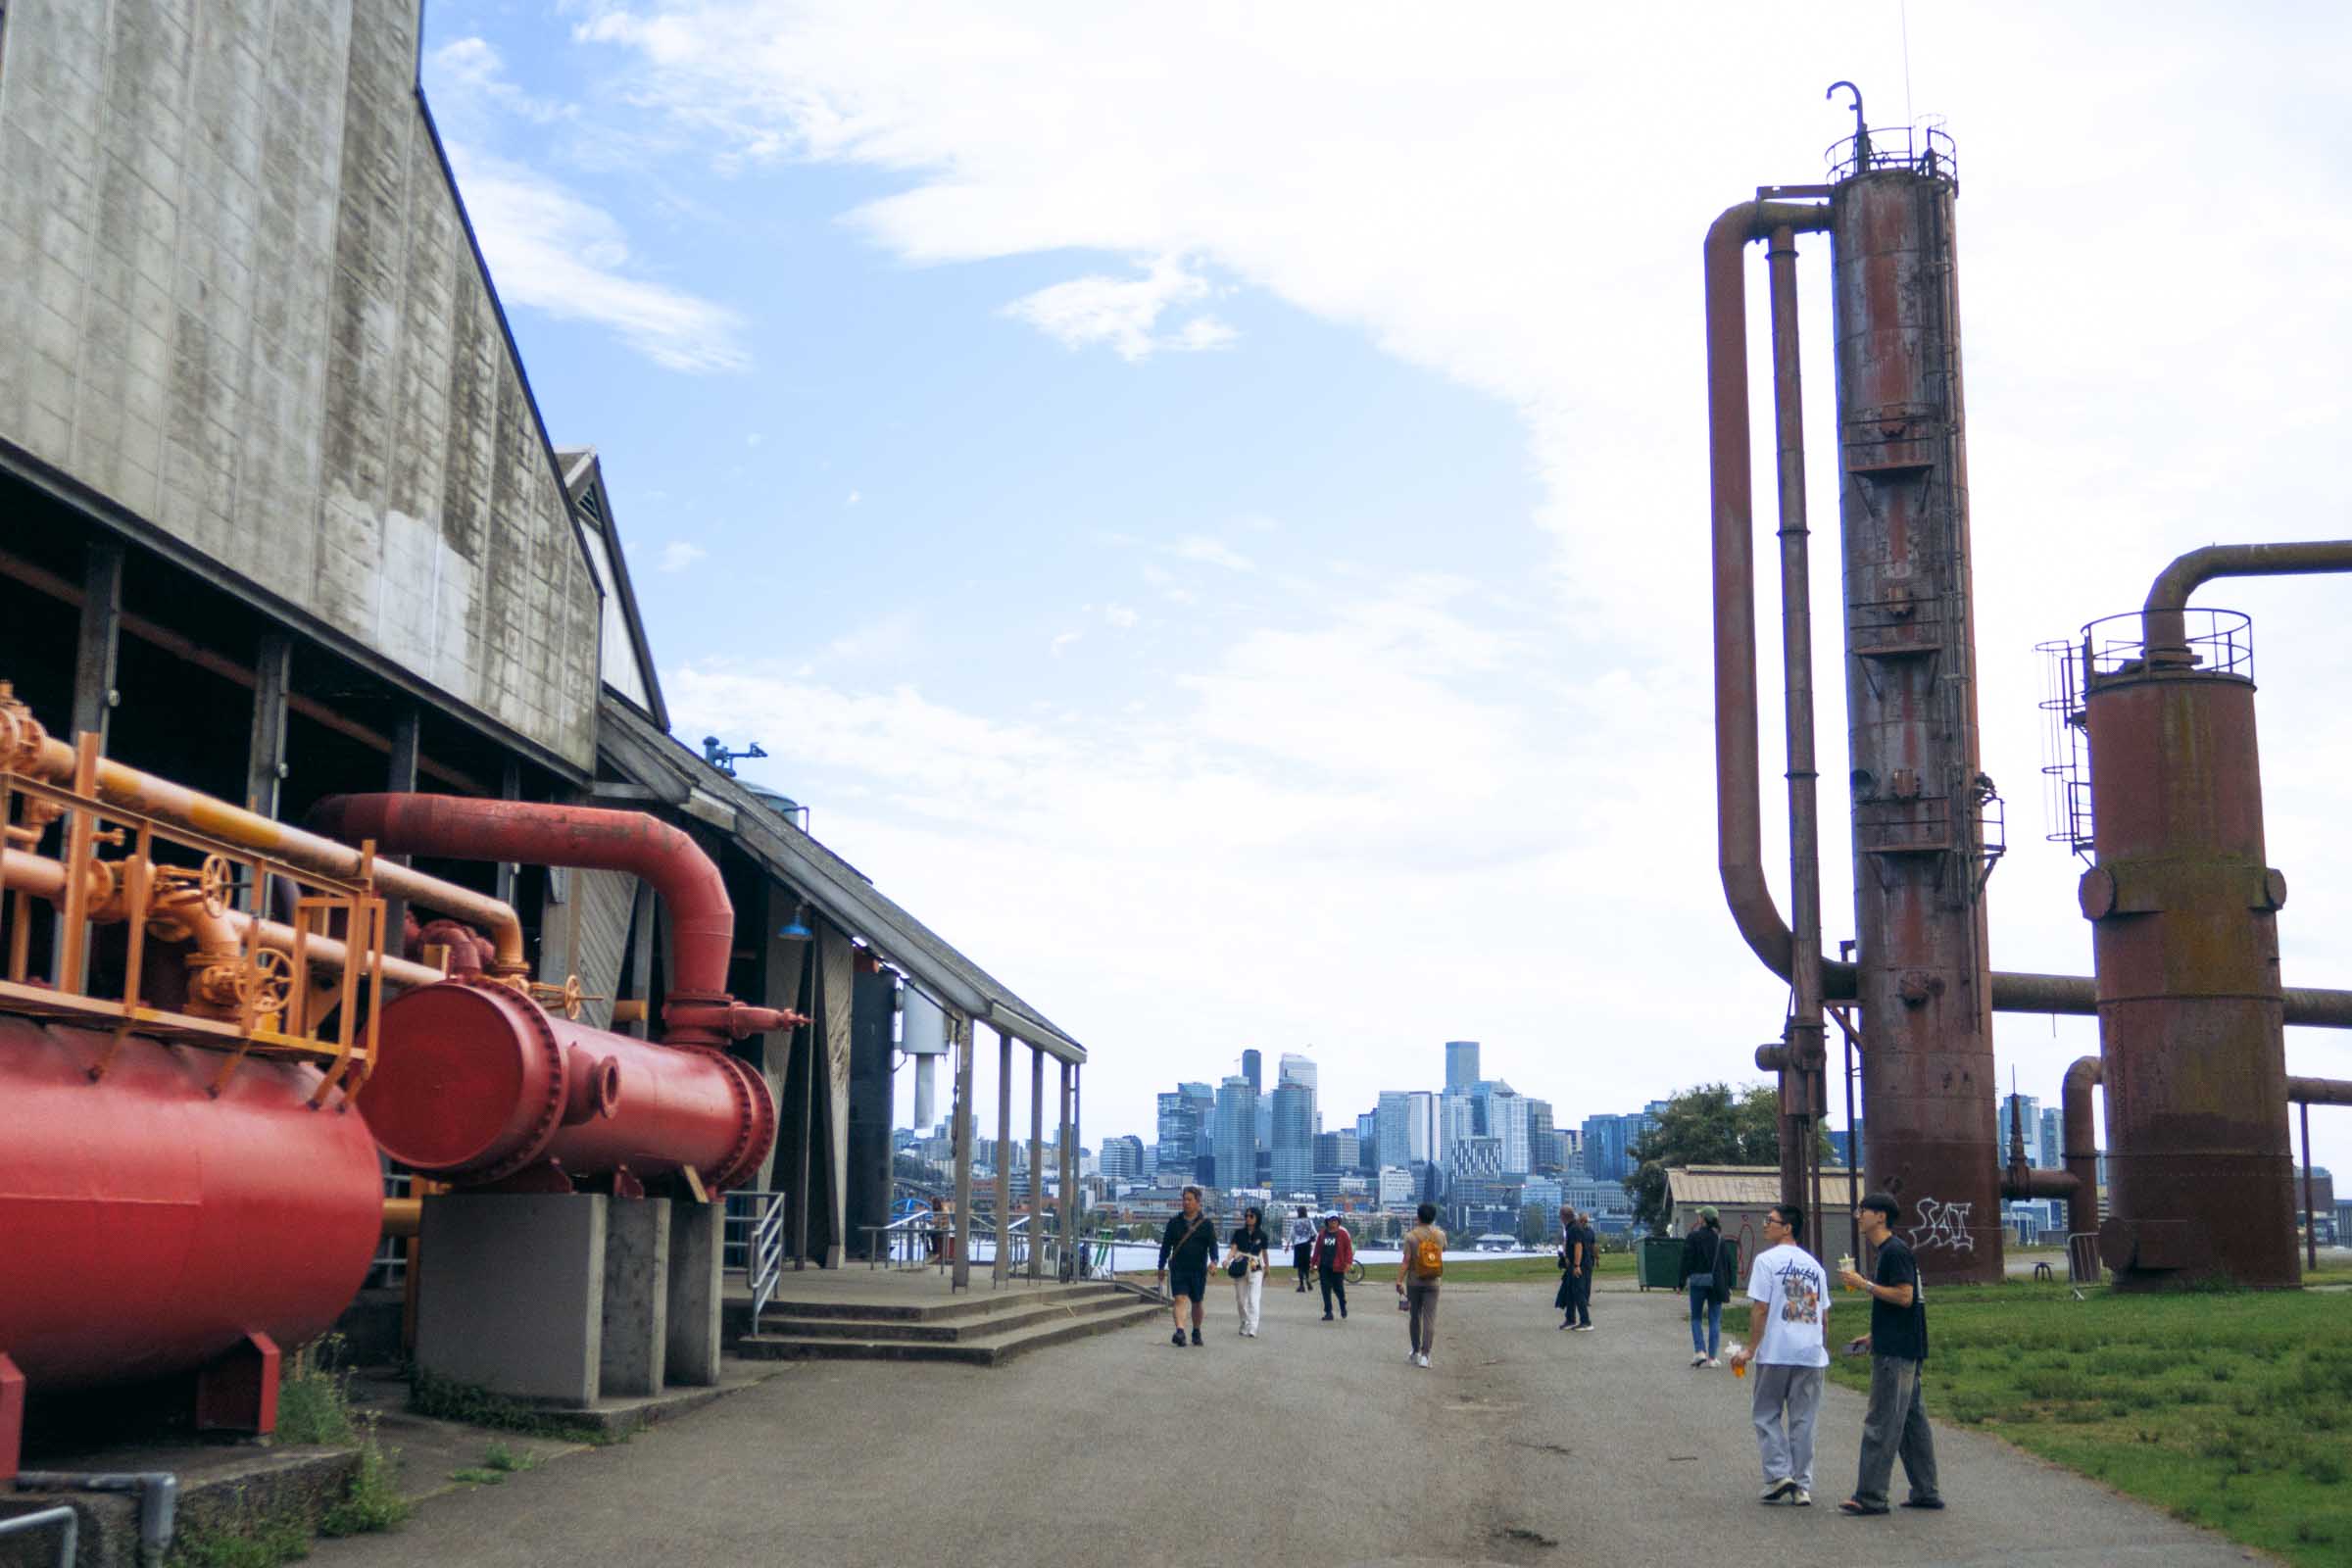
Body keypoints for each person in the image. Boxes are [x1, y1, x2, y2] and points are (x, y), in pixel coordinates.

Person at [1838, 1192, 1942, 1516]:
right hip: (1903, 1343)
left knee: (1881, 1421)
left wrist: (1863, 1283)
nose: (1859, 1215)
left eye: (1863, 1210)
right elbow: (1905, 1305)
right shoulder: (1893, 1252)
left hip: (1897, 1352)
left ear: (1880, 1216)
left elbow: (1905, 1297)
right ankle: (1926, 1491)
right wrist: (1873, 1335)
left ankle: (1870, 1495)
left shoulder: (1893, 1252)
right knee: (1912, 1422)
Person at [1730, 1204, 1830, 1507]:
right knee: (1804, 1420)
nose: (1764, 1226)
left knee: (1766, 1413)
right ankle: (1802, 1485)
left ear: (1787, 1227)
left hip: (1776, 1351)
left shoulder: (1766, 1261)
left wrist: (1750, 1349)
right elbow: (1823, 1316)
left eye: (1770, 1221)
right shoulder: (1814, 1266)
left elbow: (1761, 1308)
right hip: (1810, 1352)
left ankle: (1778, 1474)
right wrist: (1819, 1344)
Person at [1154, 1187, 1220, 1348]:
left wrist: (1214, 1262)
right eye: (1184, 1199)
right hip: (1178, 1268)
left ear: (1198, 1202)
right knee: (1179, 1299)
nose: (1185, 1202)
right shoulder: (1174, 1223)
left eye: (1190, 1199)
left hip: (1198, 1270)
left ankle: (1196, 1331)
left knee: (1197, 1302)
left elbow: (1213, 1246)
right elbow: (1165, 1247)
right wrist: (1161, 1266)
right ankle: (1180, 1331)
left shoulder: (1206, 1224)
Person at [1396, 1201, 1446, 1367]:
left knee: (1415, 1316)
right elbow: (1442, 1251)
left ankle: (1415, 1350)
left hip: (1414, 1282)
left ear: (1418, 1217)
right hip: (1433, 1282)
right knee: (1429, 1318)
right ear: (1433, 1217)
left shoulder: (1411, 1236)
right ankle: (1426, 1355)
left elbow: (1406, 1261)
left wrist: (1399, 1280)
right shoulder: (1440, 1234)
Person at [1680, 1206, 1730, 1366]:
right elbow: (1727, 1264)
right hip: (1716, 1284)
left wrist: (1680, 1282)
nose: (1698, 1217)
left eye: (1700, 1215)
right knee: (1715, 1320)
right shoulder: (1720, 1239)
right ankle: (1712, 1358)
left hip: (1697, 1282)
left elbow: (1686, 1261)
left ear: (1703, 1219)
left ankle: (1700, 1351)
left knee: (1696, 1318)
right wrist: (1728, 1284)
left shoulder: (1693, 1237)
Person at [1229, 1205, 1270, 1337]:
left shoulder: (1262, 1235)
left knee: (1254, 1298)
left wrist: (1267, 1267)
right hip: (1240, 1263)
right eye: (1246, 1216)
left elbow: (1264, 1253)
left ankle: (1253, 1326)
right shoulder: (1238, 1233)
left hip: (1255, 1264)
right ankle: (1244, 1322)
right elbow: (1233, 1249)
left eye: (1251, 1216)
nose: (1248, 1218)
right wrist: (1227, 1259)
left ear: (1257, 1218)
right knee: (1241, 1299)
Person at [1313, 1212, 1353, 1321]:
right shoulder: (1322, 1234)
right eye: (1331, 1220)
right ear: (1327, 1222)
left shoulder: (1343, 1234)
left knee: (1338, 1289)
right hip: (1324, 1266)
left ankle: (1342, 1304)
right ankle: (1328, 1312)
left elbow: (1348, 1250)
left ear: (1338, 1222)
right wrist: (1313, 1264)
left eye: (1335, 1220)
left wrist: (1349, 1263)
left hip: (1338, 1266)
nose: (1333, 1222)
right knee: (1325, 1289)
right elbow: (1317, 1250)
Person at [1572, 1208, 1599, 1332]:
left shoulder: (1579, 1231)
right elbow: (1594, 1246)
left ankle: (1584, 1301)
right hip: (1588, 1260)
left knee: (1583, 1284)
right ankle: (1586, 1299)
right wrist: (1597, 1258)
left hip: (1584, 1261)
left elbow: (1587, 1246)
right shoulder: (1590, 1232)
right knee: (1587, 1281)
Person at [1552, 1205, 1580, 1329]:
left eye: (1560, 1216)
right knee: (1569, 1292)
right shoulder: (1569, 1228)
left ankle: (1582, 1320)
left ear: (1564, 1216)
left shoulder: (1573, 1228)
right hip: (1571, 1264)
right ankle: (1570, 1318)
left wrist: (1576, 1265)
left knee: (1575, 1293)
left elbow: (1578, 1246)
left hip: (1574, 1265)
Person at [1288, 1205, 1317, 1293]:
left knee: (1300, 1266)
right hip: (1307, 1245)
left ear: (1298, 1212)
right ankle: (1308, 1281)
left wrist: (1288, 1244)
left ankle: (1301, 1285)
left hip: (1298, 1245)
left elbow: (1291, 1234)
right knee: (1306, 1265)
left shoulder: (1295, 1222)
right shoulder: (1309, 1221)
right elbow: (1314, 1232)